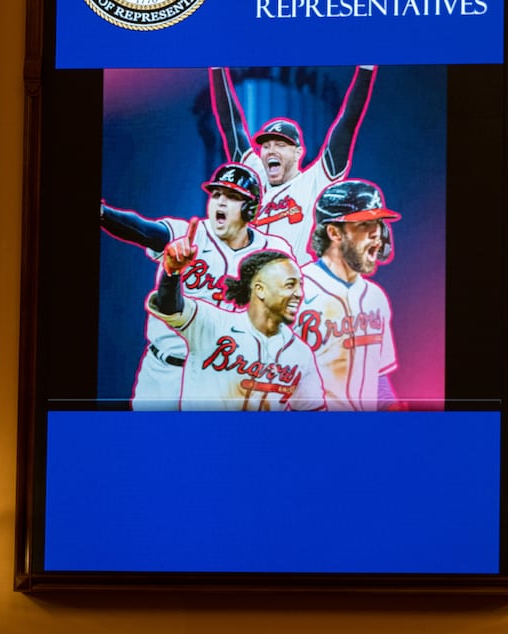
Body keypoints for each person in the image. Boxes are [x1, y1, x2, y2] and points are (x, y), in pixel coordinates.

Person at [100, 162, 294, 409]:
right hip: (165, 372)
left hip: (222, 377)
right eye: (216, 195)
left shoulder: (272, 252)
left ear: (250, 208)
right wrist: (104, 213)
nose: (221, 202)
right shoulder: (188, 234)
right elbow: (144, 230)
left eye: (233, 197)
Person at [209, 66, 376, 265]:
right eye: (266, 146)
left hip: (294, 285)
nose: (271, 150)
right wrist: (216, 67)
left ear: (298, 153)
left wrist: (366, 69)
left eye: (280, 145)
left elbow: (348, 120)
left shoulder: (315, 180)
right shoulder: (255, 174)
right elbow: (231, 124)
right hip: (253, 288)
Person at [147, 229, 326, 411]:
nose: (299, 294)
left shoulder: (300, 353)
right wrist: (172, 274)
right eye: (290, 285)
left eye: (300, 285)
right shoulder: (214, 323)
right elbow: (169, 307)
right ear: (260, 290)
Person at [294, 179, 402, 411]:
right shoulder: (296, 291)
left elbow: (379, 377)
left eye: (378, 223)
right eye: (364, 224)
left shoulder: (376, 297)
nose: (377, 234)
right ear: (334, 233)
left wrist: (392, 410)